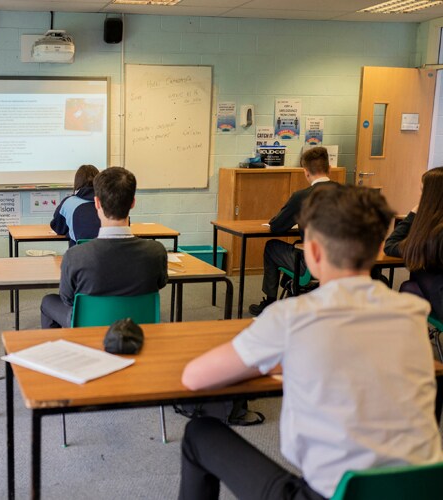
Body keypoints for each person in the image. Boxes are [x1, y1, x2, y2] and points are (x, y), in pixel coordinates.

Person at [179, 185, 443, 500]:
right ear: (377, 250)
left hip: (327, 495)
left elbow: (193, 378)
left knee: (200, 433)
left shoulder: (291, 317)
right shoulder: (412, 312)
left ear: (313, 252)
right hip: (422, 491)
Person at [40, 167, 168, 328]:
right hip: (136, 327)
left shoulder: (75, 256)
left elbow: (68, 299)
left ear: (97, 203)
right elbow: (160, 284)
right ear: (133, 202)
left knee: (48, 301)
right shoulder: (156, 252)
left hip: (88, 325)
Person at [249, 146, 335, 316]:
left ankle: (270, 302)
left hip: (312, 263)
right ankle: (292, 289)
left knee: (272, 247)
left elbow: (277, 227)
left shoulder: (302, 197)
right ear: (329, 168)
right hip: (344, 262)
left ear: (306, 172)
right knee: (296, 245)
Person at [384, 166, 443, 319]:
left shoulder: (434, 235)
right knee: (409, 286)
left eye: (423, 191)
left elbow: (390, 246)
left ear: (431, 197)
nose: (419, 195)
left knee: (413, 280)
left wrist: (414, 212)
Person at [50, 164, 101, 246]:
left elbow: (58, 228)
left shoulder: (68, 202)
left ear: (77, 182)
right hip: (109, 254)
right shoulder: (109, 201)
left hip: (79, 255)